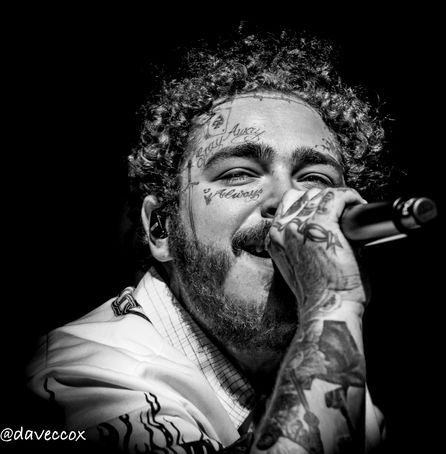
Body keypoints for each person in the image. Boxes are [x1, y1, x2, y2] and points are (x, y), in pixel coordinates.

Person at [26, 28, 399, 453]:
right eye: (238, 174)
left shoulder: (343, 377)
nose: (287, 201)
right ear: (161, 228)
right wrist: (332, 301)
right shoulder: (88, 374)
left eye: (315, 179)